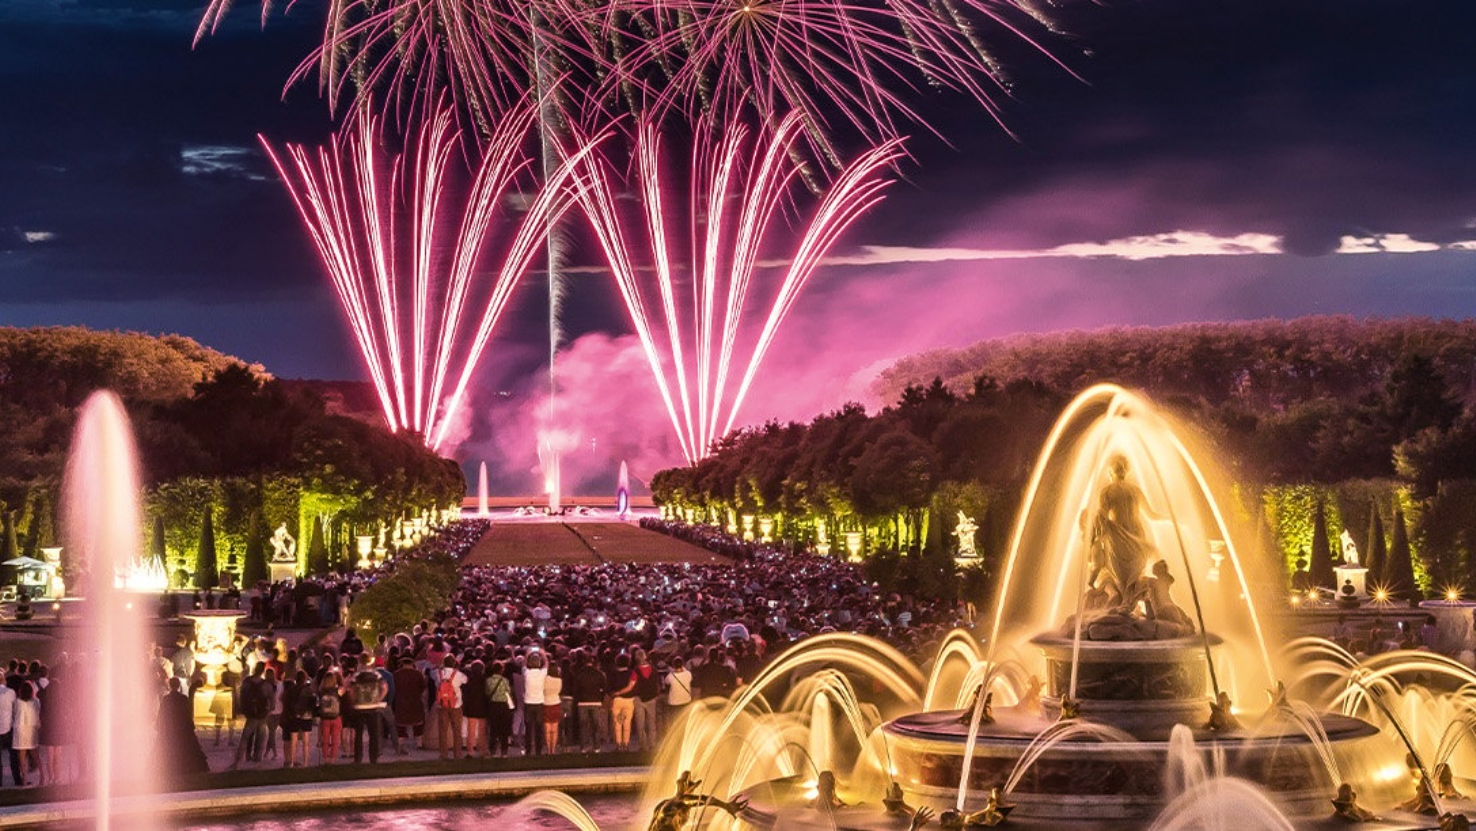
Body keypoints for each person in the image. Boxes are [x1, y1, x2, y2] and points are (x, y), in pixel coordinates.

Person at [1090, 455, 1158, 604]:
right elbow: (1103, 511)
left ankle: (1131, 606)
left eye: (1121, 466)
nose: (1120, 469)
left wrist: (1171, 518)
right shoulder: (1106, 492)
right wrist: (1097, 519)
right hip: (1117, 536)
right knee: (1121, 575)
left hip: (1136, 535)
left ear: (1126, 470)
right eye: (1116, 466)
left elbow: (1151, 515)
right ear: (1110, 471)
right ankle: (1122, 606)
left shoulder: (1135, 491)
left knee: (1137, 569)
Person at [156, 677, 209, 779]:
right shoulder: (183, 698)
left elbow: (162, 715)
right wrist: (189, 726)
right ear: (179, 685)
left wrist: (160, 727)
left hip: (171, 729)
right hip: (181, 729)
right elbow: (187, 714)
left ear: (170, 685)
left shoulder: (166, 699)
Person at [347, 665, 388, 764]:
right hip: (373, 706)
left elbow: (350, 690)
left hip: (359, 707)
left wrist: (353, 701)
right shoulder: (376, 675)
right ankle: (373, 759)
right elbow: (385, 687)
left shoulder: (357, 675)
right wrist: (379, 698)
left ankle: (358, 759)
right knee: (374, 734)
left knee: (358, 735)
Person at [433, 655, 467, 760]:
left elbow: (431, 675)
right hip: (456, 704)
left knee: (442, 730)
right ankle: (457, 754)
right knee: (457, 730)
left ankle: (443, 754)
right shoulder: (458, 674)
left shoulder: (438, 674)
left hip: (442, 704)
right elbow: (466, 680)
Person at [11, 682, 39, 786]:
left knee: (21, 757)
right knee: (35, 755)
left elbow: (14, 714)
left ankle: (24, 779)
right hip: (31, 730)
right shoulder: (36, 701)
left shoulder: (17, 702)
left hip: (20, 730)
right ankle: (43, 775)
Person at [485, 661, 515, 757]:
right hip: (503, 705)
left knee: (493, 729)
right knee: (504, 729)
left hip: (493, 705)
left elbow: (487, 692)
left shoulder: (488, 680)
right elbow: (508, 691)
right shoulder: (505, 680)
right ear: (501, 670)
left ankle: (492, 750)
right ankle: (504, 751)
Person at [316, 668, 344, 765]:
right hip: (336, 717)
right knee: (335, 740)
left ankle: (325, 758)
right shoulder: (337, 691)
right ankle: (333, 759)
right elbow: (344, 687)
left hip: (325, 718)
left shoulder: (321, 691)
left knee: (326, 740)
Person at [522, 652, 548, 756]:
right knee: (539, 728)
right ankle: (538, 750)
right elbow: (546, 663)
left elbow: (523, 664)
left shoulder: (526, 673)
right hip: (539, 703)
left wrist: (527, 654)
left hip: (528, 703)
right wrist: (543, 654)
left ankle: (528, 750)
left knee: (528, 729)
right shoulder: (542, 673)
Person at [543, 663, 563, 754]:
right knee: (555, 728)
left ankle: (548, 750)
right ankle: (553, 750)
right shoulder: (559, 680)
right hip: (556, 703)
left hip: (546, 703)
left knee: (547, 728)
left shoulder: (544, 680)